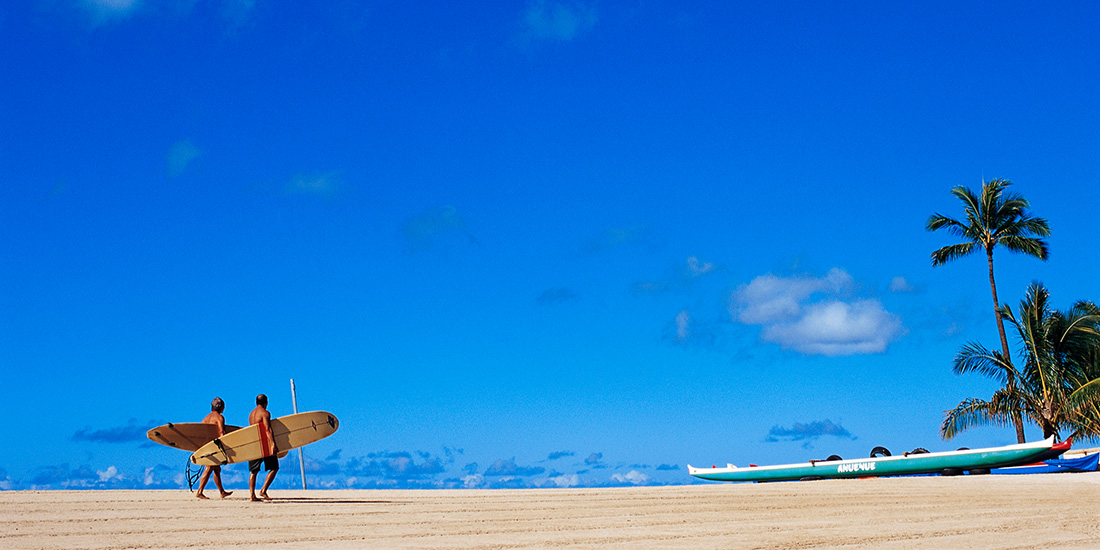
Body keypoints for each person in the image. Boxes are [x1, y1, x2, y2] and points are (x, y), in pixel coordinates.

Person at [195, 397, 233, 499]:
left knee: (217, 469)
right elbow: (221, 432)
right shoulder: (219, 417)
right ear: (220, 407)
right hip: (214, 446)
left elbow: (202, 434)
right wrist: (227, 446)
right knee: (209, 468)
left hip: (206, 446)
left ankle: (222, 492)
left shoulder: (205, 419)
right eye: (223, 407)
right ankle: (199, 492)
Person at [248, 393, 278, 501]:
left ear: (256, 402)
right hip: (264, 444)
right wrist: (273, 444)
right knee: (274, 468)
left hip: (253, 444)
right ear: (266, 403)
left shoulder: (251, 414)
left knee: (253, 471)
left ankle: (252, 496)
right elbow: (267, 429)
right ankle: (263, 490)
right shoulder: (265, 413)